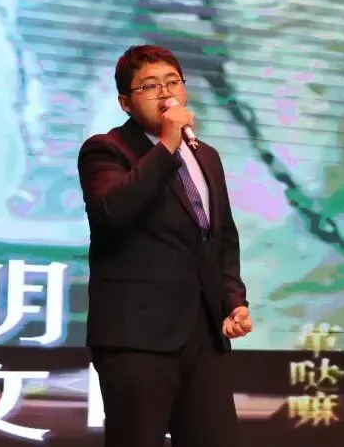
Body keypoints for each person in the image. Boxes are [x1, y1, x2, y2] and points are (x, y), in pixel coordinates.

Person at [78, 45, 251, 447]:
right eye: (149, 86)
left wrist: (232, 301)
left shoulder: (206, 156)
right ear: (125, 102)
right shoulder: (106, 150)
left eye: (173, 82)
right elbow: (113, 210)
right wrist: (167, 145)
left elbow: (221, 237)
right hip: (137, 337)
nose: (165, 93)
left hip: (204, 336)